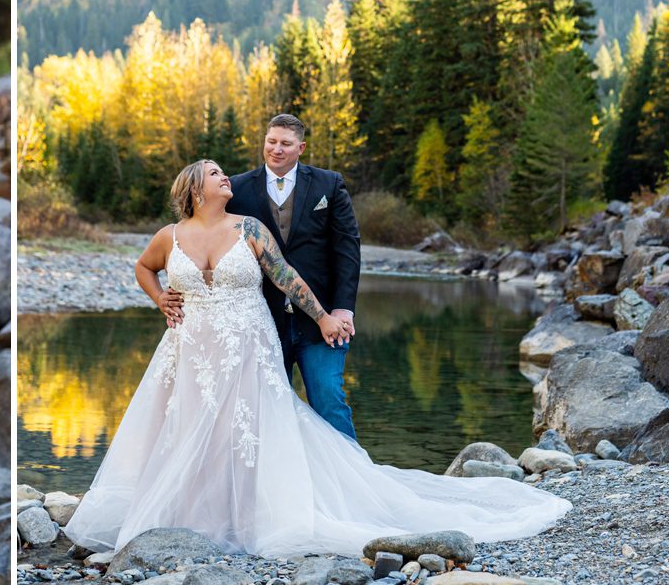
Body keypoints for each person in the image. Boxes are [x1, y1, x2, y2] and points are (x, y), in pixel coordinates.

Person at [61, 160, 569, 558]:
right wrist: (161, 298)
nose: (226, 177)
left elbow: (286, 278)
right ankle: (191, 512)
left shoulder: (250, 229)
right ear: (196, 189)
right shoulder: (168, 236)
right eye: (216, 173)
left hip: (247, 342)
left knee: (251, 425)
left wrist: (326, 316)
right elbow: (143, 268)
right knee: (188, 423)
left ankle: (252, 512)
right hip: (190, 345)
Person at [219, 113, 362, 440]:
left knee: (329, 399)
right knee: (266, 407)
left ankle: (354, 482)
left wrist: (342, 308)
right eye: (271, 142)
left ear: (301, 147)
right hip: (261, 318)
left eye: (285, 143)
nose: (277, 149)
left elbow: (347, 249)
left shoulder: (329, 184)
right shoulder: (238, 187)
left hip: (322, 318)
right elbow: (214, 236)